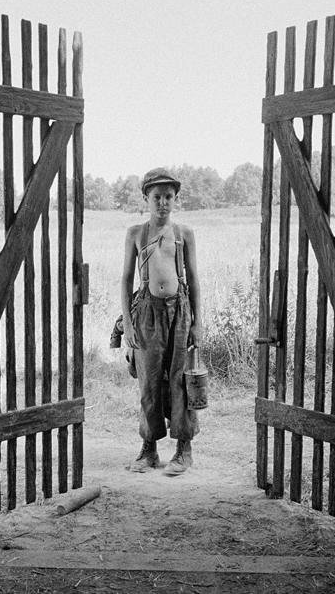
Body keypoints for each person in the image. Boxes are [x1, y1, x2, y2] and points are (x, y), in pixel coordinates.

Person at [120, 168, 202, 476]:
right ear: (146, 199)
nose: (163, 203)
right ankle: (149, 449)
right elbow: (126, 280)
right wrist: (128, 326)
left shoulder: (184, 234)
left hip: (180, 312)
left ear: (175, 199)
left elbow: (193, 280)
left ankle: (184, 449)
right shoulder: (135, 234)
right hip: (146, 314)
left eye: (169, 197)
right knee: (149, 382)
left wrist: (197, 322)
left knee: (181, 381)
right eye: (157, 197)